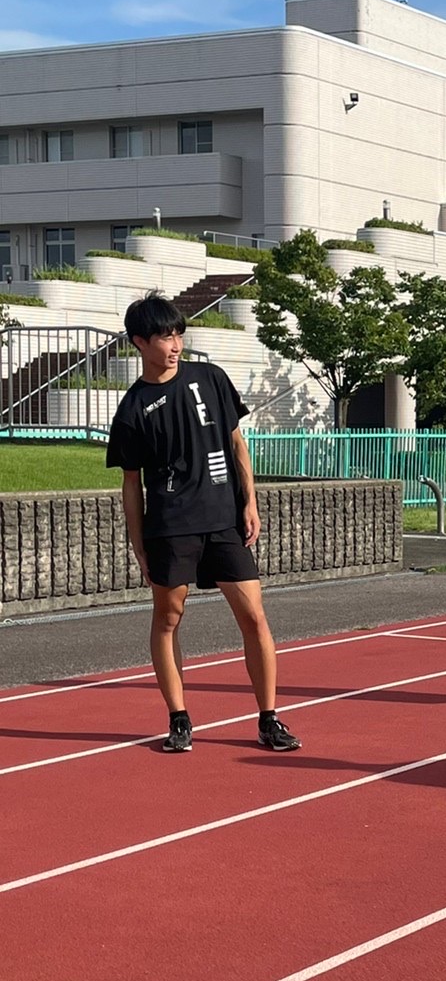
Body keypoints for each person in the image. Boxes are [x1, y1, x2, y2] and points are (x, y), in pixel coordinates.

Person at [106, 291, 301, 753]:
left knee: (254, 615)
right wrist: (138, 543)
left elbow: (237, 444)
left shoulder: (210, 378)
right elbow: (131, 484)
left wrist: (249, 501)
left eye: (178, 334)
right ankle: (178, 718)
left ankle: (268, 717)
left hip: (224, 520)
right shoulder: (133, 408)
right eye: (163, 336)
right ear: (139, 342)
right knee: (169, 618)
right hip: (171, 526)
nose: (174, 344)